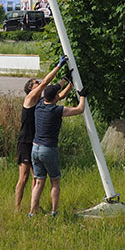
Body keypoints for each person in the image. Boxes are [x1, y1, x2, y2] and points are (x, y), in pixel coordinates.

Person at [14, 55, 69, 211]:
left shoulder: (42, 101)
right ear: (31, 88)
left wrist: (67, 80)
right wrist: (58, 66)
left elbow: (58, 94)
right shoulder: (30, 98)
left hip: (36, 143)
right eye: (35, 83)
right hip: (26, 141)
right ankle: (17, 208)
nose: (39, 83)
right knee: (23, 178)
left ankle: (35, 207)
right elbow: (46, 83)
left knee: (36, 178)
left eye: (37, 82)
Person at [28, 79, 88, 217]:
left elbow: (56, 94)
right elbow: (80, 109)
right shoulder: (57, 110)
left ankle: (32, 212)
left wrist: (67, 83)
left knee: (38, 182)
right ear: (56, 97)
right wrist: (83, 96)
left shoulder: (39, 105)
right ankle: (54, 212)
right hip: (48, 149)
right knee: (54, 181)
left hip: (35, 149)